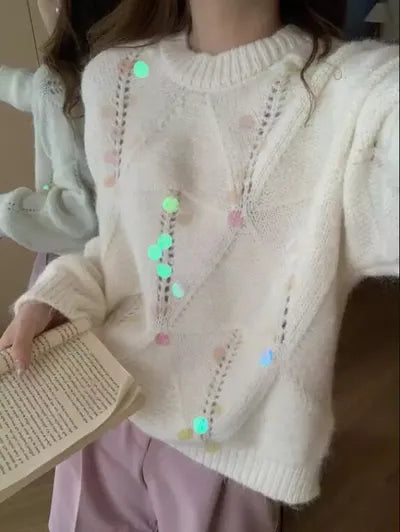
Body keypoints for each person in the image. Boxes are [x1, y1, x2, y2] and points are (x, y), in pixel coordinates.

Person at [1, 0, 399, 530]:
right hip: (102, 418)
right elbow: (116, 254)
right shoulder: (115, 79)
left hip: (226, 455)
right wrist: (55, 297)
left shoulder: (353, 92)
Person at [0, 0, 120, 286]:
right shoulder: (127, 63)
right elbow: (40, 94)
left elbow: (79, 217)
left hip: (82, 271)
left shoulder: (61, 82)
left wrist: (5, 213)